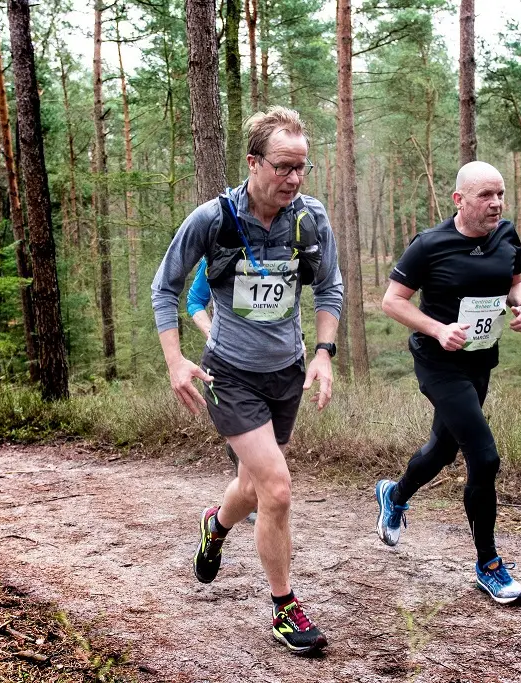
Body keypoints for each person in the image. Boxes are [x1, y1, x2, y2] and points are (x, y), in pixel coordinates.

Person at [151, 106, 343, 654]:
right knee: (277, 489)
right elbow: (165, 289)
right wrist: (174, 360)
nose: (295, 178)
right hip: (229, 372)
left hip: (285, 370)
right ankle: (285, 607)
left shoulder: (310, 219)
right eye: (284, 167)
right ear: (254, 163)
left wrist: (324, 353)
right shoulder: (212, 219)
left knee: (256, 485)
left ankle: (215, 524)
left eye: (302, 167)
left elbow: (330, 289)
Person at [374, 161, 521, 606]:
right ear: (459, 200)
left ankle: (395, 493)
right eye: (486, 195)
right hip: (438, 363)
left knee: (444, 449)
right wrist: (436, 329)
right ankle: (489, 565)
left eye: (500, 194)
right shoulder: (429, 245)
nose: (496, 203)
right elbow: (391, 301)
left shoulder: (507, 236)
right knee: (484, 458)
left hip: (480, 361)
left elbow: (515, 285)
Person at [186, 261, 257, 523]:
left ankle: (245, 471)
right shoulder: (219, 251)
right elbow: (194, 300)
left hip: (273, 360)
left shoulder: (281, 247)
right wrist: (211, 331)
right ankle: (249, 495)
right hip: (229, 358)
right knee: (248, 425)